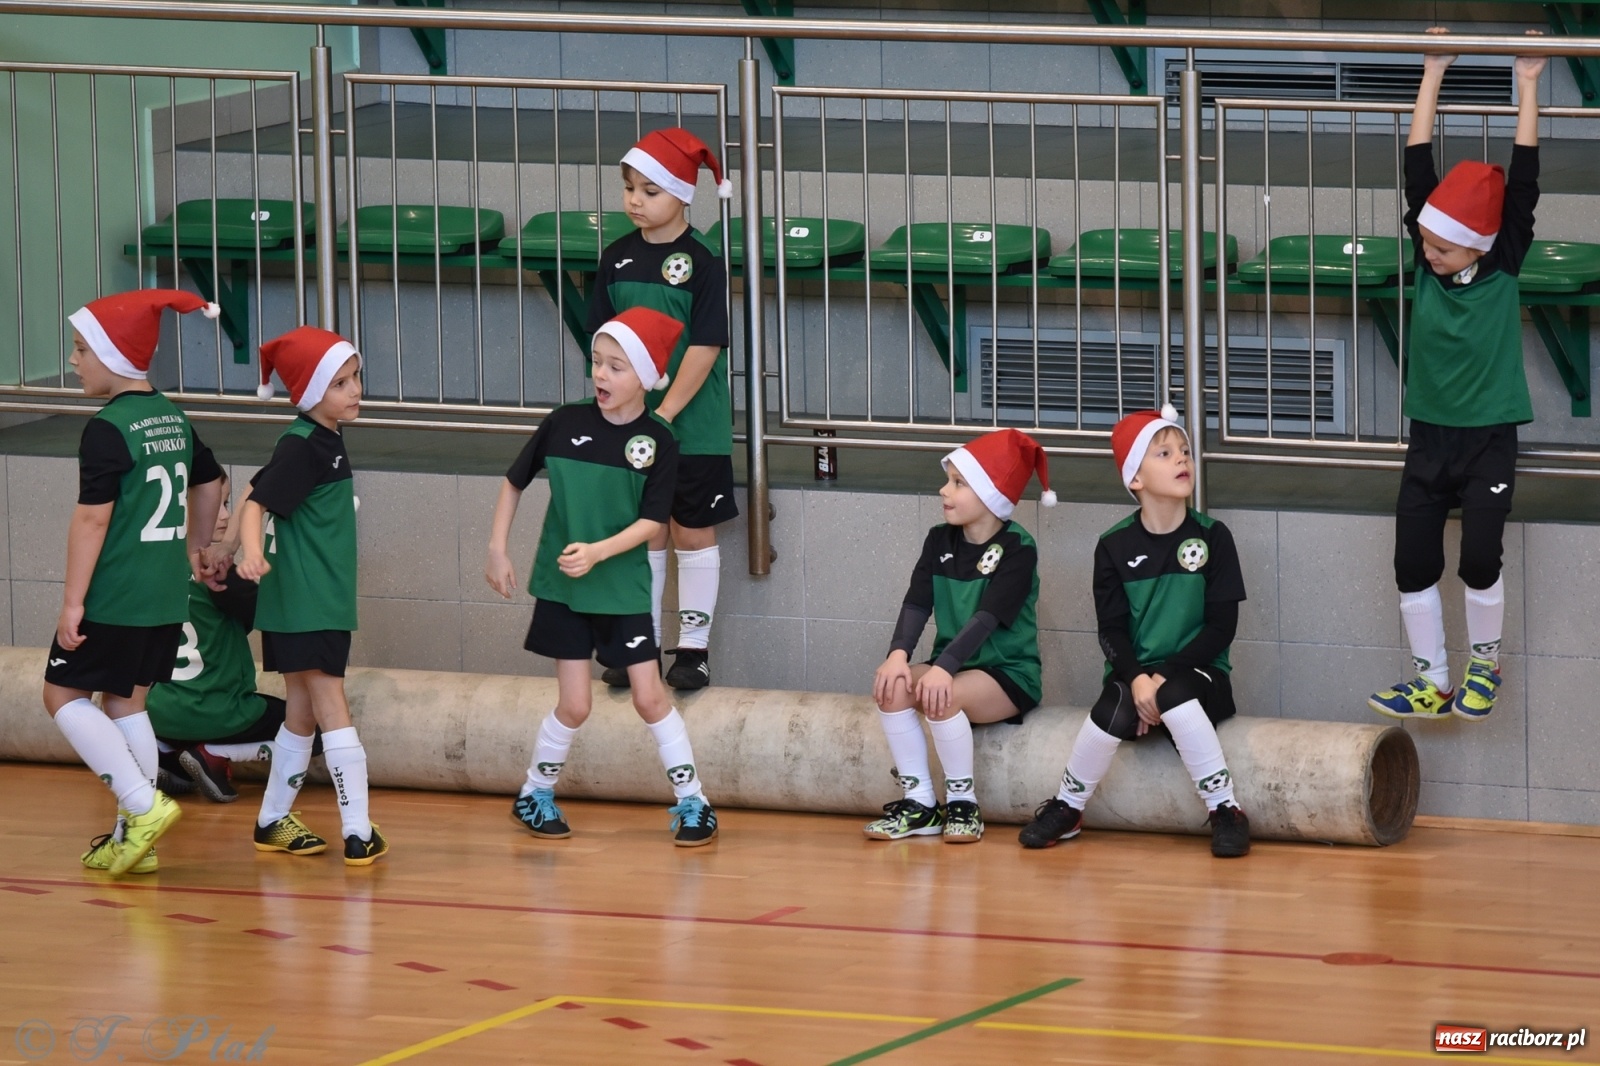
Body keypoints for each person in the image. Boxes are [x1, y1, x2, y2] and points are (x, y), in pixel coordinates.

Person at [486, 307, 719, 846]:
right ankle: (534, 794)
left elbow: (652, 522)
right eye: (597, 362)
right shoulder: (563, 422)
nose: (601, 375)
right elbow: (513, 482)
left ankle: (693, 803)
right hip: (564, 589)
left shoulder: (659, 439)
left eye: (617, 366)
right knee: (574, 705)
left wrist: (597, 552)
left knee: (649, 698)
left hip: (621, 588)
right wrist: (497, 549)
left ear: (645, 377)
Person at [1369, 28, 1547, 723]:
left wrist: (1527, 81)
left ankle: (1484, 666)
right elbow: (1417, 162)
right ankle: (1432, 680)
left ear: (1473, 241)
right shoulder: (1426, 254)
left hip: (1488, 439)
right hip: (1430, 435)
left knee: (1478, 558)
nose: (1427, 250)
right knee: (1412, 562)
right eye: (1423, 240)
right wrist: (1434, 70)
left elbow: (1524, 175)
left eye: (1438, 245)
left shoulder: (1503, 258)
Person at [44, 289, 226, 876]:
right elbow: (211, 480)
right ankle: (133, 837)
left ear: (114, 355)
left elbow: (92, 518)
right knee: (128, 705)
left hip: (117, 592)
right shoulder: (170, 413)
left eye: (81, 350)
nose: (74, 361)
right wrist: (198, 546)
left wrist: (73, 601)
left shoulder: (107, 427)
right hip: (165, 592)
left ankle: (142, 806)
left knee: (60, 695)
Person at [1018, 406, 1251, 858]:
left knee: (1176, 693)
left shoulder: (1214, 537)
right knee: (1113, 702)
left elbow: (1222, 628)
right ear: (1136, 480)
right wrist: (1139, 681)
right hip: (1137, 679)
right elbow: (1110, 632)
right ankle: (1068, 807)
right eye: (1164, 453)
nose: (1182, 459)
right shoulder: (1113, 546)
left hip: (1201, 679)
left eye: (1184, 450)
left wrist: (1161, 678)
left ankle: (1226, 809)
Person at [587, 127, 735, 692]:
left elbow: (706, 346)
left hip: (691, 428)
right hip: (630, 429)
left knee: (690, 533)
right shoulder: (617, 258)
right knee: (642, 533)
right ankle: (640, 645)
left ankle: (693, 650)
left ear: (681, 195)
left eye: (650, 190)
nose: (635, 201)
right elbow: (601, 341)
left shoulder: (702, 261)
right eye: (629, 188)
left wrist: (666, 413)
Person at [865, 428, 1053, 844]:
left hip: (1007, 673)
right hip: (952, 665)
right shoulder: (939, 539)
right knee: (893, 688)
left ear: (990, 494)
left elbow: (987, 618)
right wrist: (898, 655)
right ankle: (920, 804)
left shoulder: (1018, 547)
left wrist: (944, 668)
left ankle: (963, 803)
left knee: (941, 694)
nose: (943, 490)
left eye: (958, 483)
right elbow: (917, 602)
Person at [240, 326, 385, 865]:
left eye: (356, 378)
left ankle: (272, 819)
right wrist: (249, 551)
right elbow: (256, 505)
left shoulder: (314, 439)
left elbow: (256, 487)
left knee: (300, 712)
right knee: (332, 707)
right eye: (340, 383)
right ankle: (358, 830)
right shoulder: (306, 446)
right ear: (311, 392)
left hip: (301, 600)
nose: (355, 390)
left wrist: (226, 549)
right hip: (310, 599)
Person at [146, 470, 319, 804]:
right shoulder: (221, 581)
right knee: (312, 728)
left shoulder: (155, 568)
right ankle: (212, 753)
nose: (225, 516)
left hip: (159, 710)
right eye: (217, 505)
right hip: (220, 712)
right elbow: (271, 613)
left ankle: (164, 751)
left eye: (227, 504)